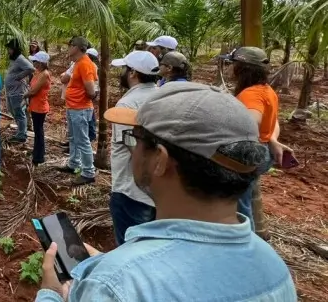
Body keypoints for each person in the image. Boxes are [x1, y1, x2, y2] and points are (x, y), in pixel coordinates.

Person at [34, 82, 296, 301]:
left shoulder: (116, 286)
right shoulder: (274, 268)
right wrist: (107, 265)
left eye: (136, 139)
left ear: (160, 159)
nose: (132, 149)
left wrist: (51, 294)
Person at [226, 47, 292, 230]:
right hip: (264, 151)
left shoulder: (251, 94)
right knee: (244, 198)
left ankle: (247, 240)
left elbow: (251, 123)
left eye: (232, 64)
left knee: (240, 205)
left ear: (241, 68)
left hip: (251, 153)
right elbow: (274, 121)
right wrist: (272, 139)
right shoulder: (266, 90)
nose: (229, 68)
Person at [108, 51, 160, 245]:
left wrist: (146, 183)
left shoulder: (127, 104)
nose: (121, 73)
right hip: (158, 194)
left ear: (133, 73)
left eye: (124, 69)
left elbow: (133, 147)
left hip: (132, 192)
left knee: (128, 249)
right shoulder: (162, 96)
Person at [58, 37, 97, 185]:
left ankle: (88, 172)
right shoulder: (77, 63)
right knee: (74, 138)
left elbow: (91, 88)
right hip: (73, 106)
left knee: (83, 141)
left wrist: (89, 96)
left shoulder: (85, 64)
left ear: (78, 47)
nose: (68, 48)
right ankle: (74, 163)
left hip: (80, 108)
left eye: (71, 45)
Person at [5, 39, 35, 144]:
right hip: (11, 91)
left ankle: (22, 134)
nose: (8, 51)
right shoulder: (14, 59)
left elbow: (31, 68)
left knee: (19, 112)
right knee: (12, 110)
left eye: (9, 49)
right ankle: (20, 130)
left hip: (18, 92)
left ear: (14, 49)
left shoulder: (20, 59)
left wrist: (19, 76)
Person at [25, 52, 51, 166]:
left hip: (40, 106)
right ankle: (37, 152)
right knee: (37, 130)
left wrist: (24, 95)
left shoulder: (44, 74)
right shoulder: (38, 72)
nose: (33, 62)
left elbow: (34, 90)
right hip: (35, 105)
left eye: (35, 61)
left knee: (39, 131)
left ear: (40, 63)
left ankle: (39, 156)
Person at [86, 47, 100, 142]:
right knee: (90, 111)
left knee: (89, 112)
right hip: (93, 90)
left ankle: (91, 133)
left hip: (91, 91)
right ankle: (91, 133)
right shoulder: (91, 65)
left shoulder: (91, 66)